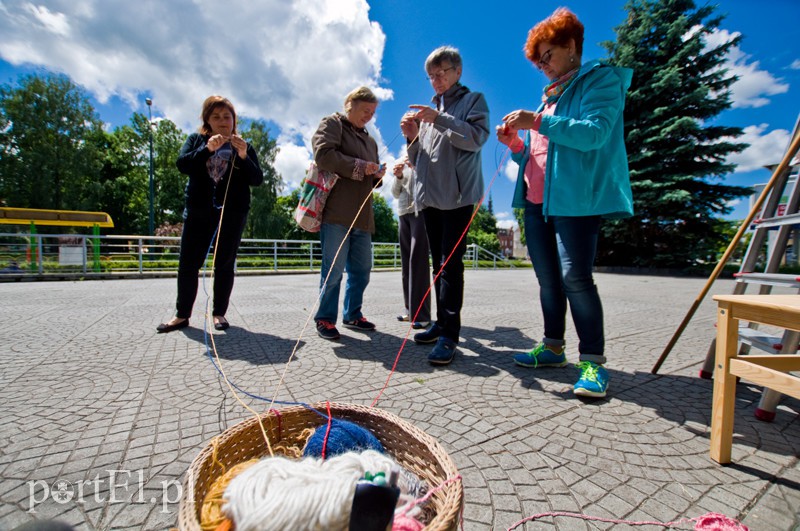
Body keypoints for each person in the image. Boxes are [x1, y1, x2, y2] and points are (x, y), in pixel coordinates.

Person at [496, 7, 633, 398]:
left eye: (547, 56)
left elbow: (593, 134)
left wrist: (536, 122)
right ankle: (553, 348)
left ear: (571, 46)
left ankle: (592, 361)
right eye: (538, 62)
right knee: (548, 280)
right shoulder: (548, 100)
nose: (542, 66)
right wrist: (517, 145)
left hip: (576, 201)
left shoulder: (600, 80)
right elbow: (538, 157)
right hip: (538, 203)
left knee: (576, 277)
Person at [400, 46, 490, 365]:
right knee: (437, 264)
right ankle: (440, 324)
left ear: (458, 72)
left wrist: (438, 118)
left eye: (441, 73)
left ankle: (450, 334)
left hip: (458, 197)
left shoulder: (473, 101)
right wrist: (411, 139)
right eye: (431, 76)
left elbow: (476, 138)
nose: (436, 80)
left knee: (450, 265)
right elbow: (419, 161)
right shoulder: (429, 111)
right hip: (429, 199)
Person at [157, 96, 264, 333]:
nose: (223, 121)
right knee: (188, 264)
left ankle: (219, 314)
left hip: (232, 214)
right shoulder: (197, 140)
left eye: (227, 116)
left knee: (224, 265)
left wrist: (245, 156)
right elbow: (182, 165)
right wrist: (207, 150)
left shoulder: (243, 146)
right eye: (216, 116)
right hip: (198, 211)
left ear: (234, 120)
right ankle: (182, 315)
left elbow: (257, 180)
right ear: (207, 120)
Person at [312, 86, 386, 340]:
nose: (369, 116)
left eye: (373, 112)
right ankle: (324, 318)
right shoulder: (333, 124)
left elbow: (371, 180)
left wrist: (378, 175)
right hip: (336, 212)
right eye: (366, 110)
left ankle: (352, 314)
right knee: (333, 271)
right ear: (350, 104)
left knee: (362, 270)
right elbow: (323, 155)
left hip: (363, 216)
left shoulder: (370, 140)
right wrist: (361, 166)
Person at [391, 158, 431, 329]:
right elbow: (394, 193)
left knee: (418, 261)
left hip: (421, 211)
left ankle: (422, 315)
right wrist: (399, 176)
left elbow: (430, 184)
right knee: (406, 264)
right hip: (403, 214)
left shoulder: (425, 157)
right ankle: (410, 309)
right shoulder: (402, 160)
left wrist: (417, 167)